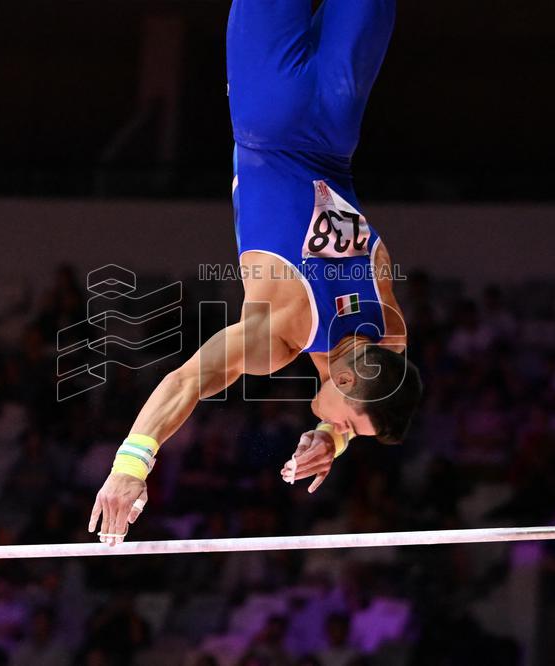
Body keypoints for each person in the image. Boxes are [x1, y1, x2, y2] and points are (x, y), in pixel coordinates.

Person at [89, 0, 422, 545]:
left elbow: (361, 378)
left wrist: (328, 436)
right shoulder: (281, 336)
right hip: (269, 118)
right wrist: (131, 464)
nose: (345, 434)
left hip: (337, 126)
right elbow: (187, 381)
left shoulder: (390, 332)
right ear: (343, 382)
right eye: (352, 427)